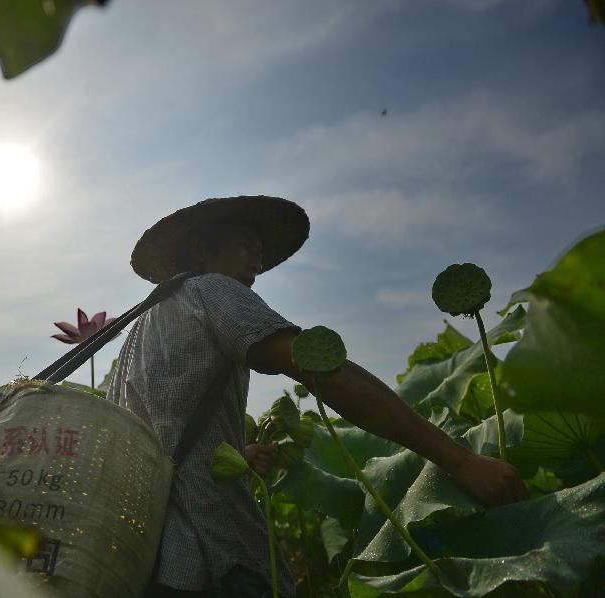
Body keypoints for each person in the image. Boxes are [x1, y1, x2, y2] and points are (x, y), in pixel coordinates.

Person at [106, 196, 527, 598]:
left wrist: (238, 453)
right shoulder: (213, 290)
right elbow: (322, 368)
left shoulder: (141, 327)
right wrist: (461, 460)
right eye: (245, 247)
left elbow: (161, 433)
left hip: (140, 549)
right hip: (206, 556)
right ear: (201, 251)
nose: (256, 262)